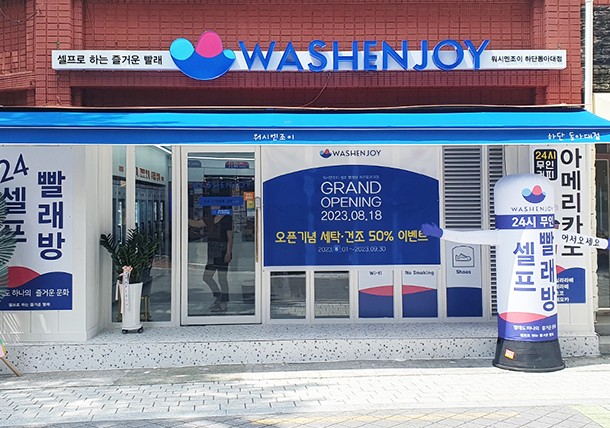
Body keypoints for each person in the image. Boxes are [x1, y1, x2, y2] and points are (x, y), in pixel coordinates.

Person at [192, 206, 233, 312]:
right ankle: (219, 297)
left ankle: (223, 303)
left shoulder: (227, 218)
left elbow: (230, 237)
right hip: (212, 251)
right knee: (207, 277)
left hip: (223, 250)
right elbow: (197, 224)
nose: (213, 206)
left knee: (222, 278)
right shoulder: (210, 218)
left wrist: (228, 252)